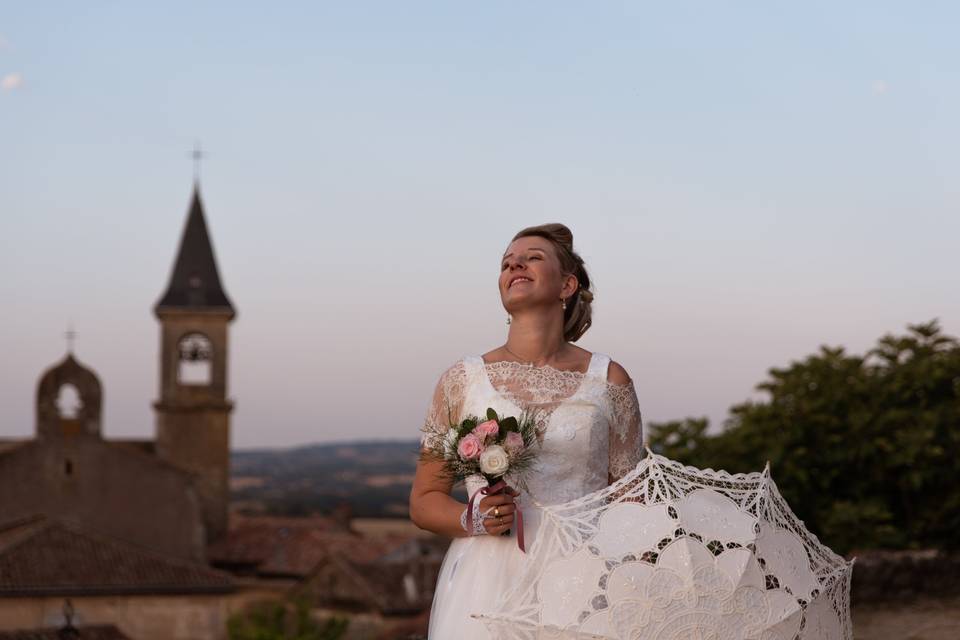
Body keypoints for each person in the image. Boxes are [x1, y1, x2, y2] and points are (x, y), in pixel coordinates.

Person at [409, 223, 644, 639]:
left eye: (533, 257)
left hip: (583, 577)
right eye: (506, 262)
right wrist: (472, 518)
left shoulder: (610, 379)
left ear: (567, 284)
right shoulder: (461, 381)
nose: (515, 263)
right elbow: (424, 501)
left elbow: (632, 504)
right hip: (486, 584)